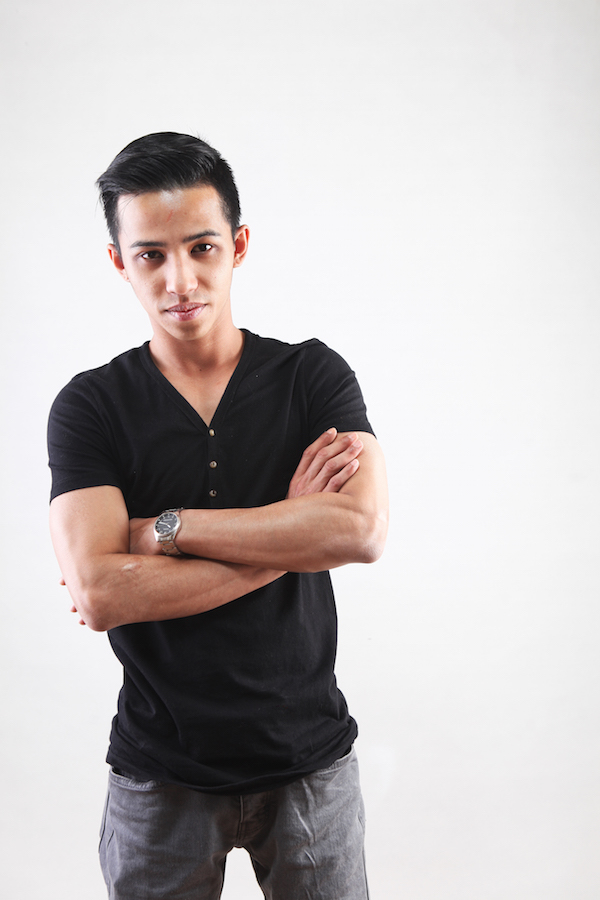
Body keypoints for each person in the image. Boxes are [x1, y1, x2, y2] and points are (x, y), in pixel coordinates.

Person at [48, 132, 388, 900]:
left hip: (311, 765)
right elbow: (100, 594)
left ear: (237, 246)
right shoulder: (91, 407)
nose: (180, 279)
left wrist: (161, 531)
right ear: (120, 262)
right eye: (151, 255)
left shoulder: (311, 376)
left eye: (202, 247)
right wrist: (291, 530)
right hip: (158, 773)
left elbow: (361, 531)